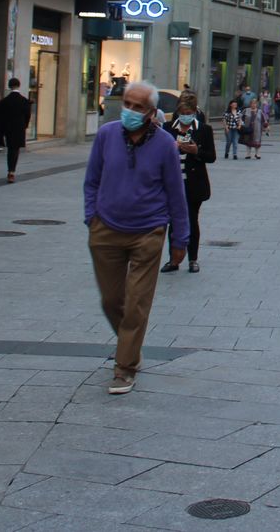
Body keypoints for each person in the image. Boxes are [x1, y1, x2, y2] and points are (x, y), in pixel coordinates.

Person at [83, 80, 188, 395]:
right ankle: (131, 347)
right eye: (127, 103)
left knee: (136, 304)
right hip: (106, 229)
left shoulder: (166, 144)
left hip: (148, 231)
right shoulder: (106, 135)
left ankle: (124, 367)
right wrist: (92, 217)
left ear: (152, 113)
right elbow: (92, 180)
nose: (129, 110)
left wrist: (180, 239)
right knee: (111, 301)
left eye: (137, 107)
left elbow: (176, 194)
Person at [163, 94, 216, 274]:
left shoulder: (204, 130)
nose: (186, 116)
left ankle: (193, 259)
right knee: (173, 222)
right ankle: (173, 259)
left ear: (195, 112)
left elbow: (211, 157)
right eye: (183, 112)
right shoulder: (168, 128)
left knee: (192, 221)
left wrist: (196, 151)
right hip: (172, 184)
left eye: (189, 112)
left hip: (194, 184)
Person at [0, 78, 31, 183]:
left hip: (8, 128)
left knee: (10, 149)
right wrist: (24, 125)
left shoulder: (5, 101)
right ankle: (12, 171)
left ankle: (10, 170)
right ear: (19, 85)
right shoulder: (24, 100)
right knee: (15, 150)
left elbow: (1, 116)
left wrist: (2, 128)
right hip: (19, 128)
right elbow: (28, 115)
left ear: (9, 86)